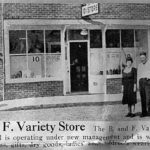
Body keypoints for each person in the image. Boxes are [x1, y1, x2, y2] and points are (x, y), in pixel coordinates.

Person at [137, 52, 150, 117]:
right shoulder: (139, 65)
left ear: (146, 57)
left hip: (148, 82)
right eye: (141, 58)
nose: (142, 59)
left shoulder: (149, 63)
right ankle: (144, 112)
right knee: (143, 98)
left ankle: (149, 112)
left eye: (143, 57)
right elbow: (138, 75)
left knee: (148, 98)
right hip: (141, 82)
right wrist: (137, 84)